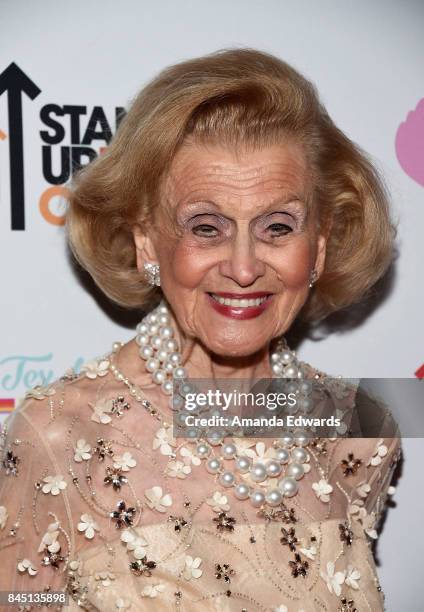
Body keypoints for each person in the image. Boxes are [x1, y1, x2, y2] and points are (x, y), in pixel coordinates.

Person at [0, 48, 401, 611]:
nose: (242, 267)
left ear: (320, 244)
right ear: (147, 242)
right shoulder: (61, 436)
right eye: (205, 227)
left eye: (277, 226)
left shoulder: (357, 432)